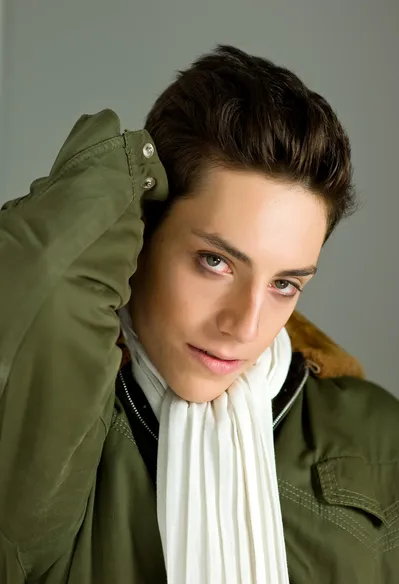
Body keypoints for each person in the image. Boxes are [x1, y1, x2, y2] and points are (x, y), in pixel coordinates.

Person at [0, 45, 398, 584]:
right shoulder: (58, 424)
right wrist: (126, 173)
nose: (245, 325)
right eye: (215, 262)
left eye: (284, 284)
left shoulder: (373, 431)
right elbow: (43, 273)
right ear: (143, 228)